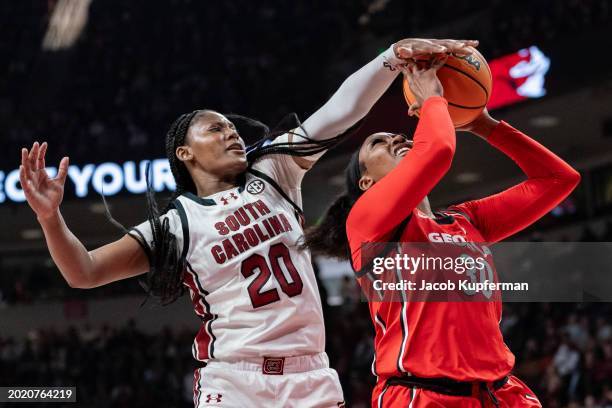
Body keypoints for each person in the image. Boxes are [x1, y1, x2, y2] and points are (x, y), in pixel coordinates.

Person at [18, 39, 478, 407]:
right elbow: (84, 272)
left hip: (312, 374)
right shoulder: (177, 224)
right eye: (214, 129)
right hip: (235, 382)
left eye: (231, 126)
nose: (231, 132)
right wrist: (50, 217)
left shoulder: (274, 171)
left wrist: (390, 57)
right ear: (185, 153)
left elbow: (339, 112)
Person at [306, 58, 580, 407]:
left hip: (500, 393)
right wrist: (432, 97)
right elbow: (437, 150)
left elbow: (558, 180)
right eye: (378, 142)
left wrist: (485, 126)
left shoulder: (466, 220)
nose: (396, 138)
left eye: (395, 135)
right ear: (366, 182)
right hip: (422, 395)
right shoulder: (367, 221)